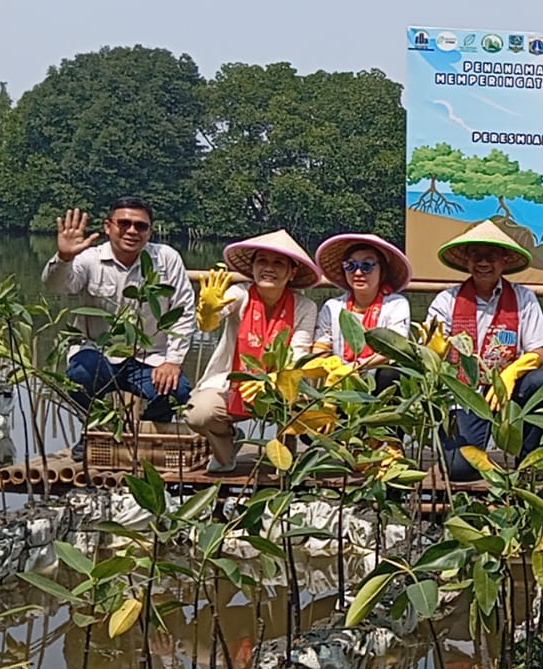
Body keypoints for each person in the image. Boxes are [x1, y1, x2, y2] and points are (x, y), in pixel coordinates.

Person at [42, 198, 196, 461]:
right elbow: (57, 286)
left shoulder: (166, 258)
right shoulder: (90, 258)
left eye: (140, 226)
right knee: (79, 373)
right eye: (124, 223)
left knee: (178, 391)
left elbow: (184, 310)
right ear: (108, 226)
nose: (132, 231)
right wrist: (65, 257)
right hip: (100, 352)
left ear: (150, 230)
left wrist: (173, 360)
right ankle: (95, 431)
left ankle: (146, 432)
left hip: (151, 357)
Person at [425, 219, 543, 481]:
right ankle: (485, 462)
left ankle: (527, 460)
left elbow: (539, 352)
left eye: (491, 256)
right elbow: (429, 353)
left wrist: (511, 373)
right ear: (467, 260)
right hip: (463, 394)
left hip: (506, 391)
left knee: (542, 381)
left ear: (504, 260)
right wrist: (434, 347)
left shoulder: (523, 297)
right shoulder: (447, 300)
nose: (483, 263)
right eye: (476, 256)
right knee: (459, 470)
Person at [185, 230, 320, 473]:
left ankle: (285, 463)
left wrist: (270, 381)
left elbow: (299, 355)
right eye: (262, 261)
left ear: (292, 272)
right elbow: (213, 320)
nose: (269, 268)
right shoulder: (241, 294)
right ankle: (227, 450)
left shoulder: (305, 307)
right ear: (253, 266)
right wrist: (207, 312)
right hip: (233, 383)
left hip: (280, 389)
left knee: (298, 402)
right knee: (198, 413)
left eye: (278, 262)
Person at [312, 232, 413, 395]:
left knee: (391, 374)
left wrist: (359, 366)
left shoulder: (395, 304)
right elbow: (320, 347)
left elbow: (394, 347)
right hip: (339, 378)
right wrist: (329, 365)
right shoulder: (333, 307)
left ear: (382, 271)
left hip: (378, 379)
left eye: (367, 266)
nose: (358, 273)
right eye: (350, 266)